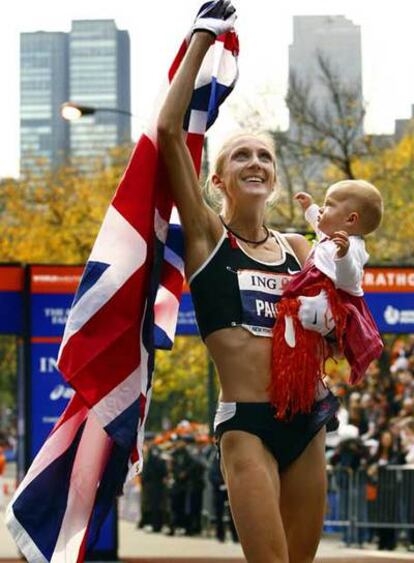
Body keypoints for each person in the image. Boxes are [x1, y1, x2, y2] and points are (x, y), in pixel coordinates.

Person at [157, 1, 341, 561]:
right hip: (247, 426)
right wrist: (199, 41)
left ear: (277, 176)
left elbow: (337, 333)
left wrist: (335, 320)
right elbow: (168, 132)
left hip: (308, 421)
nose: (255, 162)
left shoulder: (302, 249)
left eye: (264, 155)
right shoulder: (209, 240)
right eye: (241, 156)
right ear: (218, 179)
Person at [268, 182, 384, 420]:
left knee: (305, 311)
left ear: (350, 220)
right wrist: (309, 208)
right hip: (314, 291)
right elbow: (319, 225)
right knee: (302, 331)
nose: (322, 209)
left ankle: (313, 385)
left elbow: (350, 279)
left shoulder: (353, 248)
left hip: (332, 300)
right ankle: (315, 386)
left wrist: (342, 256)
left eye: (328, 205)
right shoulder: (331, 235)